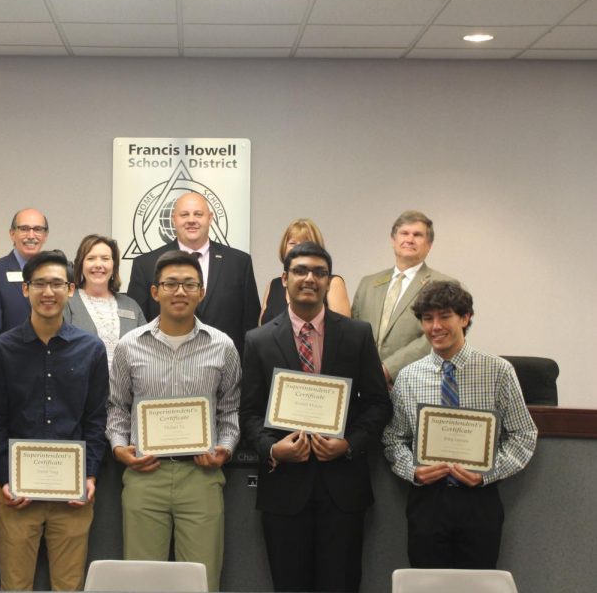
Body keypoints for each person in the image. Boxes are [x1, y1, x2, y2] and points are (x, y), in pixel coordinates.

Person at [239, 242, 391, 592]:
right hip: (284, 489)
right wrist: (273, 450)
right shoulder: (259, 340)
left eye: (319, 273)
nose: (310, 278)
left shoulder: (357, 334)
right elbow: (248, 413)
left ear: (328, 281)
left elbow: (379, 404)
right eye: (301, 271)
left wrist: (349, 444)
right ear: (284, 279)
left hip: (344, 488)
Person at [108, 250, 241, 592]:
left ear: (201, 291)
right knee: (141, 582)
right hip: (144, 477)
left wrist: (224, 449)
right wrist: (120, 448)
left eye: (188, 284)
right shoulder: (129, 346)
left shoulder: (223, 347)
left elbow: (230, 412)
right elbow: (116, 408)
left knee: (201, 579)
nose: (179, 292)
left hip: (201, 476)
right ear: (155, 292)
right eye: (170, 284)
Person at [382, 281, 537, 569]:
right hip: (427, 501)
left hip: (479, 500)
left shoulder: (498, 371)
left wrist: (488, 473)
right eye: (427, 318)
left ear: (465, 318)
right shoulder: (408, 377)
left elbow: (524, 434)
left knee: (477, 585)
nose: (435, 326)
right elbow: (393, 439)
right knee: (426, 586)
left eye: (445, 316)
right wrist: (413, 470)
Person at [0, 250, 108, 591]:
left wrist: (90, 474)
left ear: (70, 289)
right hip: (16, 496)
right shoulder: (0, 351)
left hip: (73, 495)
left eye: (56, 284)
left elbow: (96, 419)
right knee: (15, 586)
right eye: (39, 284)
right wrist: (6, 478)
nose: (48, 292)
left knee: (69, 587)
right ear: (25, 290)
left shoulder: (91, 349)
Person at [126, 191, 260, 356]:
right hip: (161, 365)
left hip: (224, 365)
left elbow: (250, 325)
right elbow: (138, 324)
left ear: (210, 218)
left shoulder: (239, 263)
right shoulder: (145, 265)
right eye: (184, 215)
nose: (191, 220)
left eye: (198, 214)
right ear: (173, 219)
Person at [352, 210, 456, 386]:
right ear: (393, 241)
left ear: (429, 244)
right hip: (365, 386)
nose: (409, 239)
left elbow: (435, 337)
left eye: (417, 235)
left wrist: (387, 369)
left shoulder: (443, 284)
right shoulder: (367, 284)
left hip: (415, 384)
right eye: (404, 233)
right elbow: (353, 332)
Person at [63, 234, 146, 368]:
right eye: (91, 258)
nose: (98, 265)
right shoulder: (67, 302)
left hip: (126, 387)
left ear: (114, 265)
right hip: (82, 386)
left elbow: (145, 350)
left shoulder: (131, 305)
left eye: (105, 259)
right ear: (80, 265)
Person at [0, 207, 49, 352]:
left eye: (38, 229)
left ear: (45, 235)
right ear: (12, 233)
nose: (31, 235)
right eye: (24, 229)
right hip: (5, 367)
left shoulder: (54, 276)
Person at [260, 218, 350, 324]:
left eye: (306, 242)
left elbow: (343, 330)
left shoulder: (333, 282)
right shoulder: (273, 285)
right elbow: (261, 330)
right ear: (284, 248)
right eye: (293, 243)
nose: (298, 248)